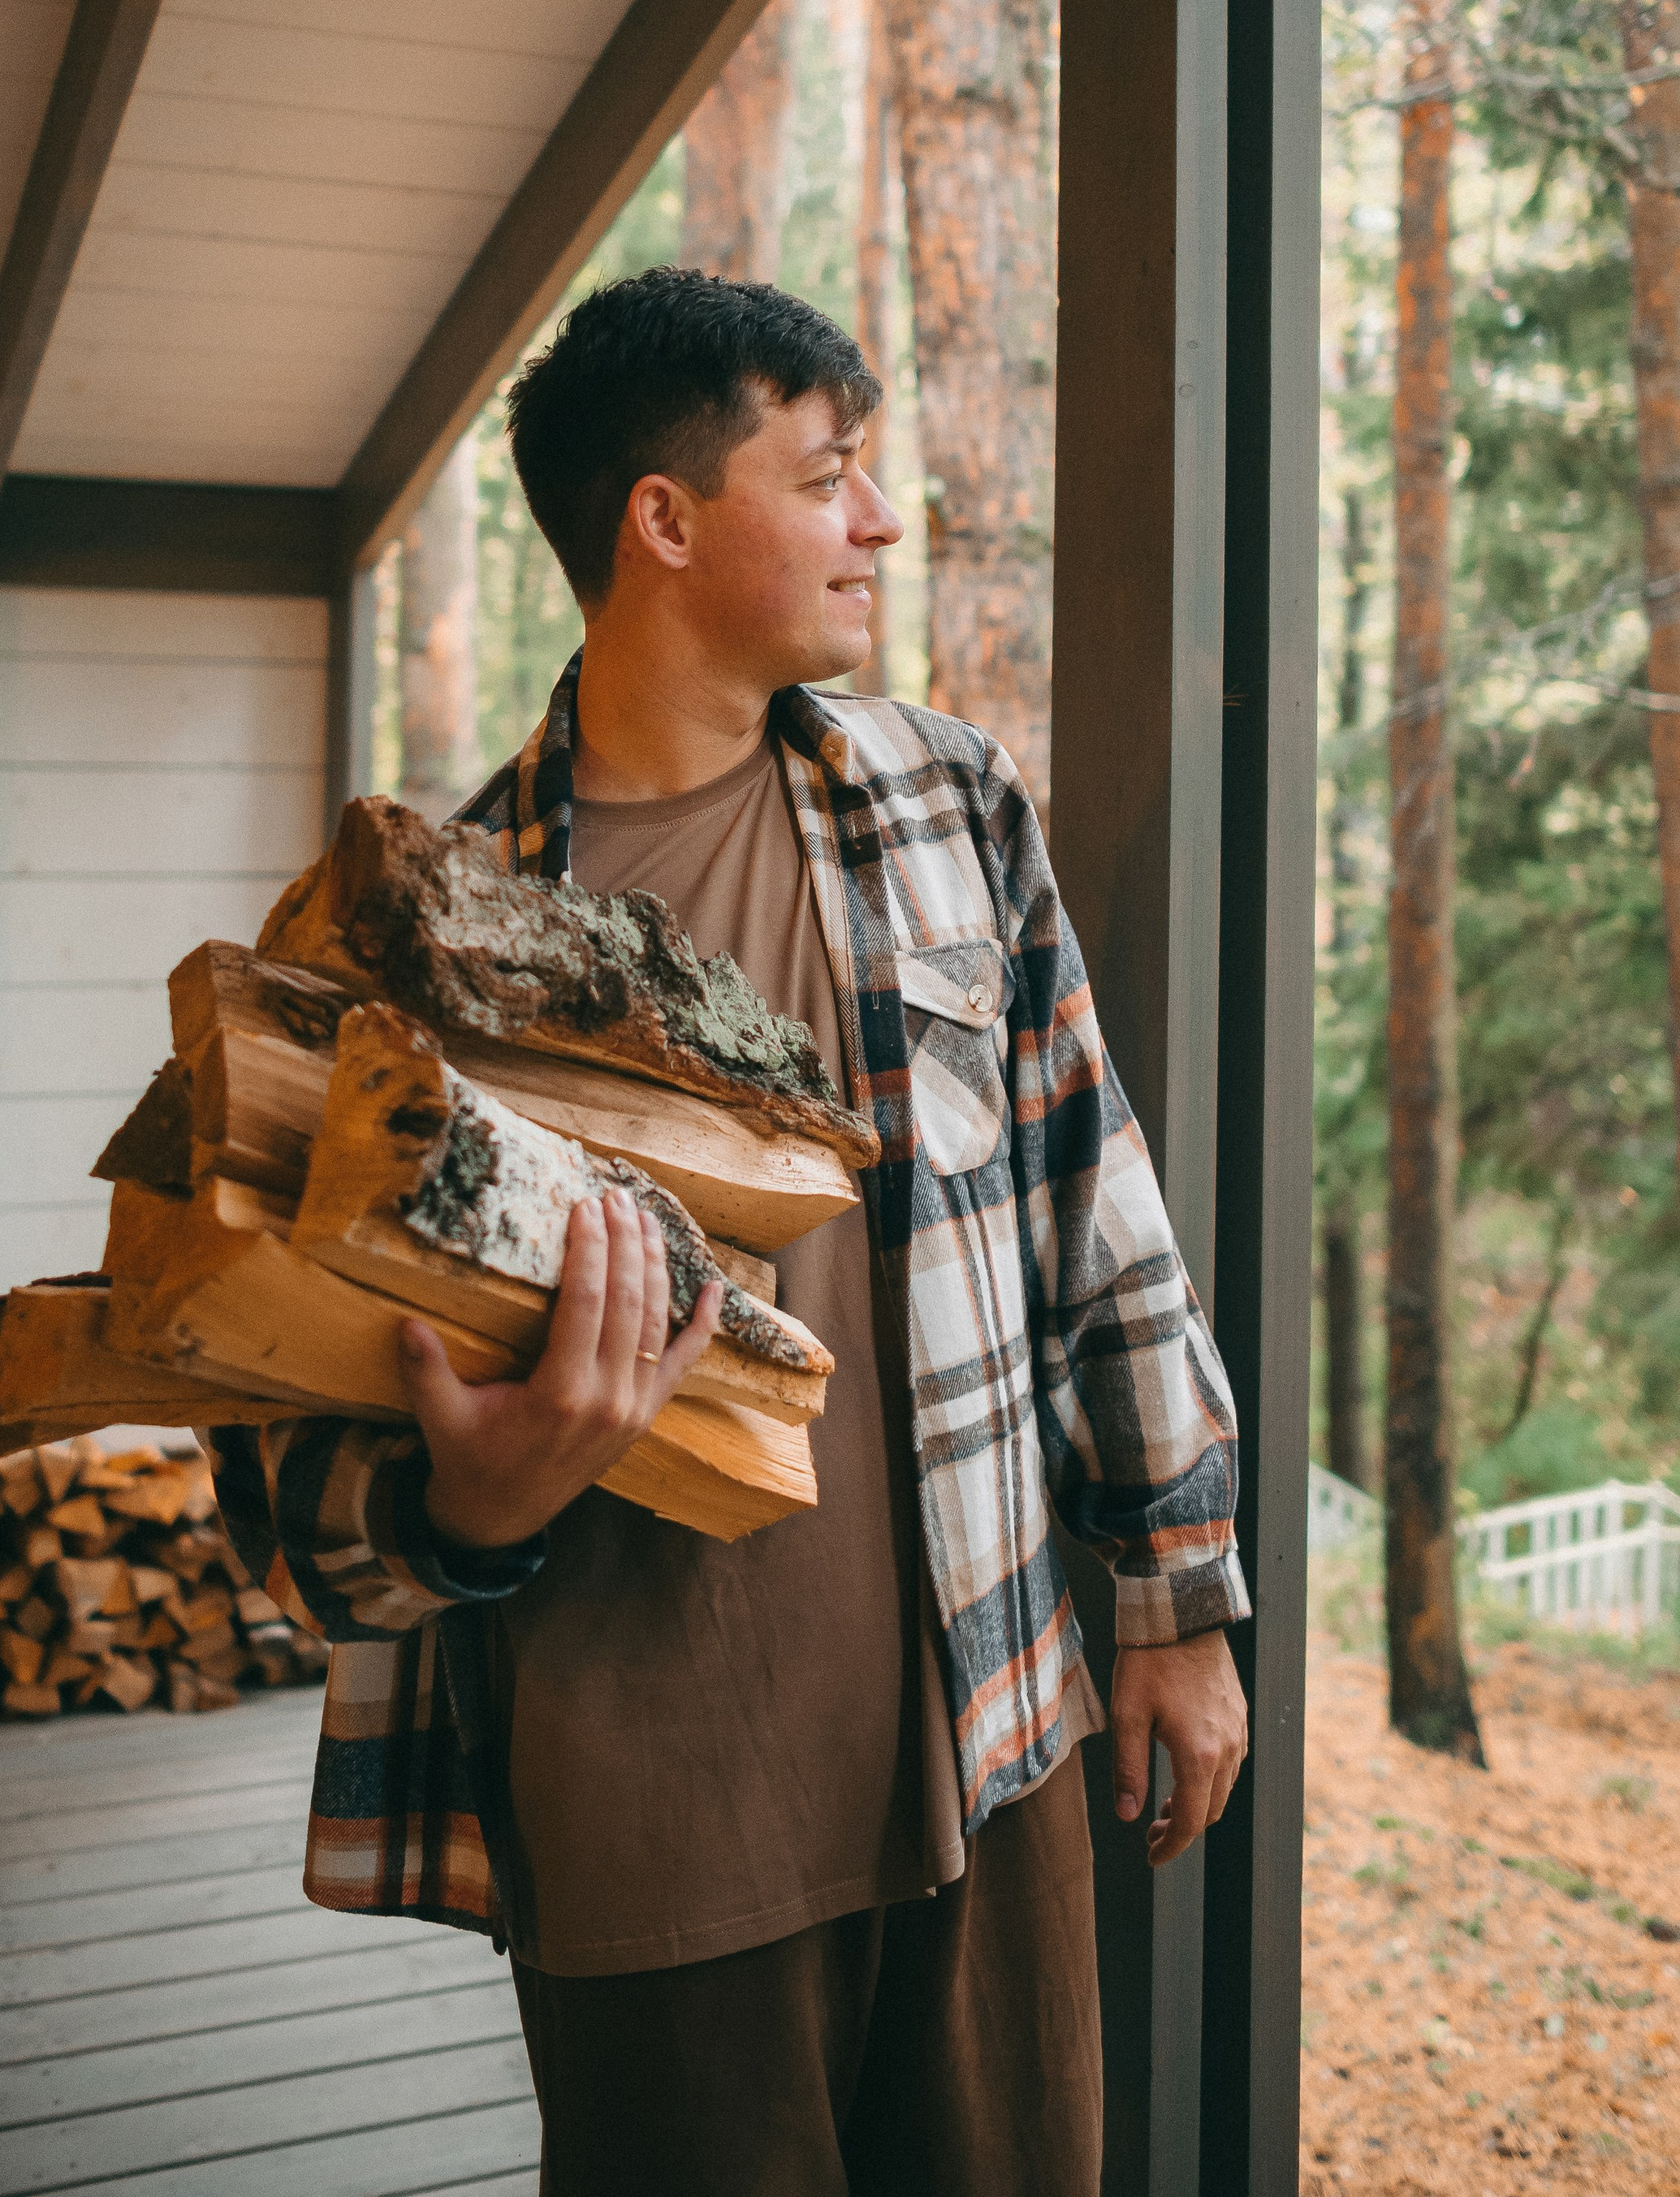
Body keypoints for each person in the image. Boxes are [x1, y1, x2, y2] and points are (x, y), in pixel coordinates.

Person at [212, 269, 1249, 2197]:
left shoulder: (947, 804)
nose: (878, 518)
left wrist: (1175, 1597)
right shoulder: (399, 947)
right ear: (664, 522)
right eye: (829, 472)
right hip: (641, 1842)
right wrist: (472, 1509)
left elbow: (1096, 1200)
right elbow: (284, 1499)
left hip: (987, 1738)